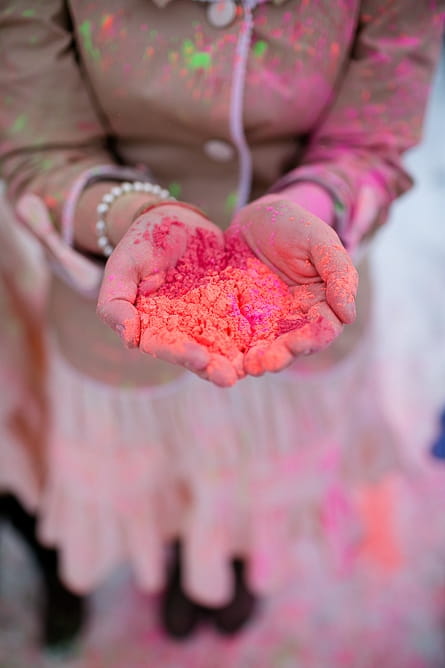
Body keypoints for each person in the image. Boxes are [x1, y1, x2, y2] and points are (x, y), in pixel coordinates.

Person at [0, 0, 443, 643]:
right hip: (121, 314)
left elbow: (370, 139)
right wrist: (121, 216)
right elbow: (40, 148)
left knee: (261, 475)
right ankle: (184, 555)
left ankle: (237, 558)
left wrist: (313, 205)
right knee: (166, 475)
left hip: (295, 300)